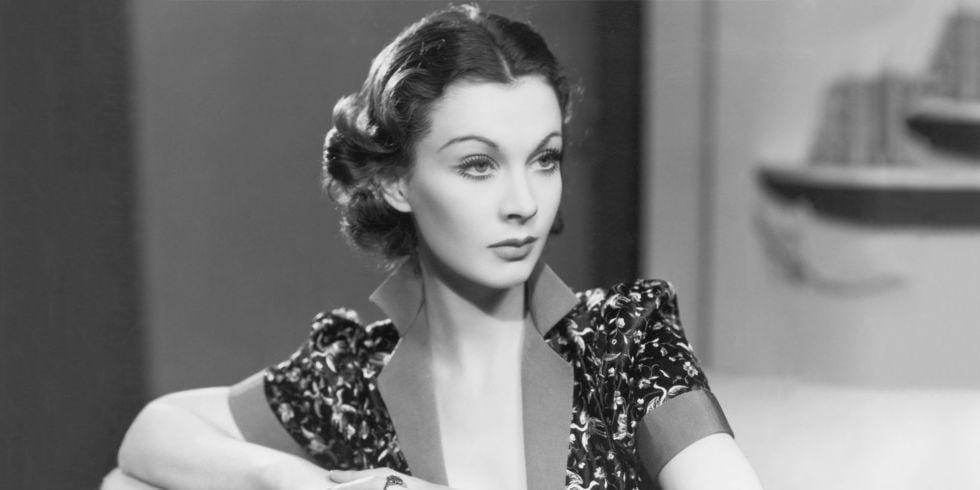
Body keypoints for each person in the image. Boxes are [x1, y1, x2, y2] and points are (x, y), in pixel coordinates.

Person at [107, 5, 762, 490]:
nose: (524, 201)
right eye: (478, 165)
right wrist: (300, 483)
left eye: (544, 159)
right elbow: (154, 433)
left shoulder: (624, 339)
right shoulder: (351, 382)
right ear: (397, 182)